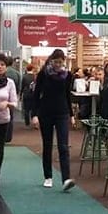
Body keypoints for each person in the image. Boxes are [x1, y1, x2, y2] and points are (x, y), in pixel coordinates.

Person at [32, 49, 75, 191]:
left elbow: (67, 94)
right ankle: (48, 177)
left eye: (60, 62)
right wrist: (35, 114)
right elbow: (37, 94)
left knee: (63, 146)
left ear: (64, 62)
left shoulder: (68, 75)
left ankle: (66, 179)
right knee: (48, 145)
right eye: (56, 62)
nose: (58, 65)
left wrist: (71, 114)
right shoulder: (44, 74)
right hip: (45, 112)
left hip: (62, 112)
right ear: (51, 61)